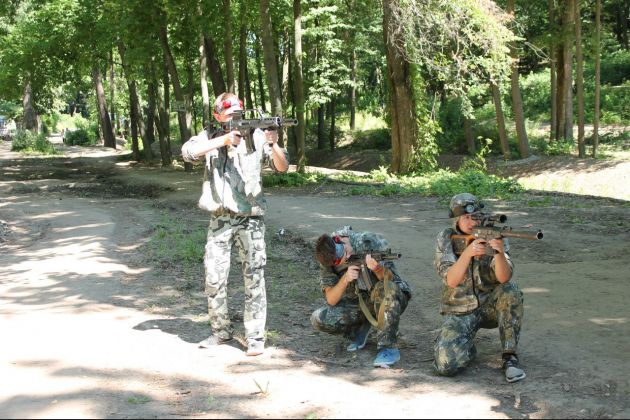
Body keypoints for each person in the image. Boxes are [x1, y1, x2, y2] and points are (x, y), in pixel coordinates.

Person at [181, 92, 289, 357]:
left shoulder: (256, 136)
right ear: (217, 116)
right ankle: (220, 332)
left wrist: (274, 144)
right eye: (230, 115)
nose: (235, 119)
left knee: (254, 278)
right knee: (214, 278)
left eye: (238, 114)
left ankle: (255, 338)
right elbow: (187, 153)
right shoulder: (209, 135)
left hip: (250, 219)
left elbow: (283, 167)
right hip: (220, 218)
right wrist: (224, 140)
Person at [433, 193, 526, 382]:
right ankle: (466, 347)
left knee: (510, 290)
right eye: (466, 217)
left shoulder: (494, 234)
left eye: (475, 217)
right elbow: (451, 281)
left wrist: (499, 253)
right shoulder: (447, 237)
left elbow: (504, 277)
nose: (471, 222)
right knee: (445, 365)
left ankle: (509, 356)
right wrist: (467, 254)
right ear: (456, 219)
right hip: (459, 309)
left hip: (489, 306)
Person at [310, 226, 412, 367]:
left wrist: (377, 269)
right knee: (319, 318)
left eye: (344, 254)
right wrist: (345, 278)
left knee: (387, 289)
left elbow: (391, 281)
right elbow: (331, 299)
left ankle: (388, 348)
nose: (345, 259)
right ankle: (360, 328)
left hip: (389, 297)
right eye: (339, 262)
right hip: (361, 302)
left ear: (339, 240)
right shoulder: (328, 259)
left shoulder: (368, 242)